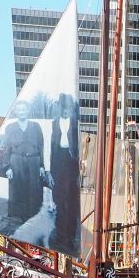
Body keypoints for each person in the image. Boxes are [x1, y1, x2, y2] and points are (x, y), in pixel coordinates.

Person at [1, 99, 46, 226]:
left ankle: (32, 217)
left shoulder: (36, 126)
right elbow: (6, 148)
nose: (22, 112)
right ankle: (17, 219)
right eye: (19, 110)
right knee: (17, 189)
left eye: (24, 110)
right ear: (16, 112)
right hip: (16, 162)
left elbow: (41, 147)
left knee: (33, 189)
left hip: (33, 161)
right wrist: (8, 167)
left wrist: (41, 165)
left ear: (28, 111)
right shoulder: (10, 128)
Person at [48, 92, 80, 254]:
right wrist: (51, 171)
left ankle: (71, 237)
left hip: (72, 163)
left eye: (68, 108)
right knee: (60, 202)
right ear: (60, 107)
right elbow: (51, 149)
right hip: (58, 163)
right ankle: (61, 237)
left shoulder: (76, 126)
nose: (66, 110)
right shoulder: (54, 124)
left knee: (72, 203)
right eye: (64, 107)